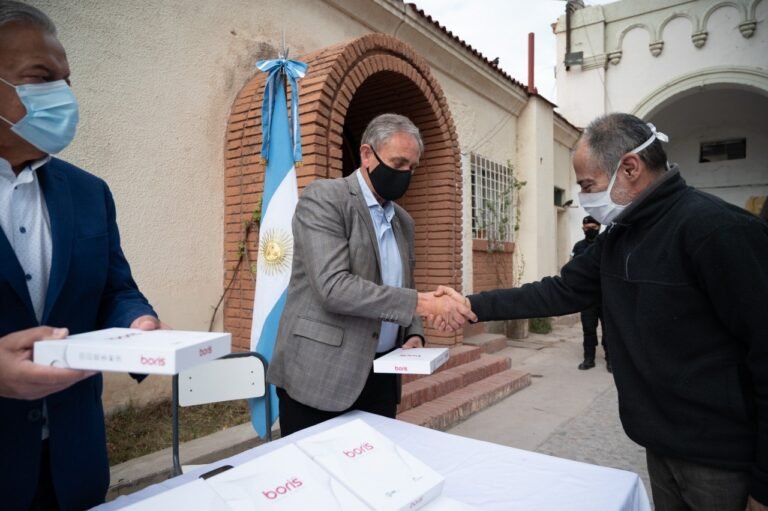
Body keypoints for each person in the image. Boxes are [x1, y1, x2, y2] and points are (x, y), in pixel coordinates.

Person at [438, 113, 768, 511]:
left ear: (629, 167)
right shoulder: (620, 235)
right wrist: (470, 305)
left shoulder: (716, 230)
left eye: (588, 185)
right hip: (660, 445)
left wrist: (763, 485)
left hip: (721, 461)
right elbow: (559, 291)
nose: (584, 199)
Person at [0, 3, 162, 509]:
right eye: (40, 77)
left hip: (75, 466)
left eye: (66, 80)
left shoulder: (90, 192)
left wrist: (137, 321)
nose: (63, 96)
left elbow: (116, 287)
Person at [267, 113, 474, 436]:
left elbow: (406, 285)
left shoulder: (403, 221)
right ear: (367, 154)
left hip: (381, 377)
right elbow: (333, 287)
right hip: (321, 376)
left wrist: (413, 333)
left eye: (412, 168)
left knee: (374, 478)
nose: (405, 174)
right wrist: (423, 305)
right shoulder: (325, 199)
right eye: (398, 162)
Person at [570, 215, 609, 372]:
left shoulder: (607, 244)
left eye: (593, 228)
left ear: (599, 228)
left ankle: (611, 359)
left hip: (605, 295)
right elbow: (573, 266)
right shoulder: (578, 246)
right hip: (586, 296)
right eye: (587, 229)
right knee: (588, 329)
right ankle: (589, 358)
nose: (590, 231)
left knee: (609, 330)